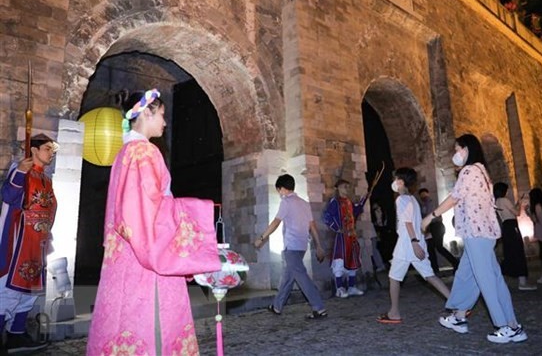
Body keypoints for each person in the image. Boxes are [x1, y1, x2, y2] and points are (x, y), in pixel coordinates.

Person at [87, 89, 221, 355]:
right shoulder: (145, 152)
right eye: (161, 114)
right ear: (146, 113)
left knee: (123, 320)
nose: (165, 122)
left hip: (125, 256)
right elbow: (150, 211)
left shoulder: (123, 153)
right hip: (148, 258)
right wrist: (196, 210)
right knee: (153, 323)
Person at [421, 134, 527, 344]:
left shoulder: (469, 171)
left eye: (457, 149)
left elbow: (454, 197)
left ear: (467, 149)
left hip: (476, 233)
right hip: (481, 233)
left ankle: (506, 326)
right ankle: (459, 317)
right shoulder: (481, 170)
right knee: (466, 275)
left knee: (487, 280)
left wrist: (430, 217)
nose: (455, 154)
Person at [0, 134, 58, 353]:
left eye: (52, 149)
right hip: (18, 242)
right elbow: (7, 195)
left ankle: (16, 335)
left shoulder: (45, 178)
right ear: (33, 150)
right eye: (46, 148)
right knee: (7, 289)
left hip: (37, 243)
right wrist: (22, 172)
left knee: (29, 292)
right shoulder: (20, 171)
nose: (50, 153)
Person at [377, 167, 450, 324]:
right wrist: (417, 243)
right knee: (429, 275)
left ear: (401, 182)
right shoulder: (413, 200)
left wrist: (414, 243)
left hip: (407, 244)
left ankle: (394, 312)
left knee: (394, 278)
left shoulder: (401, 200)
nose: (394, 182)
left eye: (396, 179)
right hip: (416, 243)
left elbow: (408, 223)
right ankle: (456, 304)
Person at [254, 174, 327, 319]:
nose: (279, 193)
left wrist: (262, 238)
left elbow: (276, 222)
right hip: (301, 246)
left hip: (292, 246)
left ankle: (319, 307)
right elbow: (312, 226)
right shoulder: (304, 203)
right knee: (288, 277)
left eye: (279, 190)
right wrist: (318, 245)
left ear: (282, 188)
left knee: (302, 277)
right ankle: (277, 306)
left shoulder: (286, 202)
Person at [323, 179, 367, 298]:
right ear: (338, 188)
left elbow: (356, 211)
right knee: (340, 261)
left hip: (351, 236)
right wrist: (337, 228)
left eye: (347, 186)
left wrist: (364, 199)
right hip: (341, 238)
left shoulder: (348, 202)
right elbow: (327, 217)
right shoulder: (335, 202)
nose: (346, 189)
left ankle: (351, 287)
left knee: (352, 260)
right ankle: (339, 288)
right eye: (344, 187)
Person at [493, 183, 536, 291]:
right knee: (518, 252)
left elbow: (508, 213)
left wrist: (517, 204)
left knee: (509, 253)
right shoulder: (505, 200)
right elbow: (516, 213)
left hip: (506, 227)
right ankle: (522, 282)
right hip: (512, 226)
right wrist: (520, 205)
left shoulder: (497, 201)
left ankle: (502, 279)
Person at [419, 188, 459, 275]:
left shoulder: (430, 203)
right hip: (431, 228)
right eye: (422, 195)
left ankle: (455, 262)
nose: (423, 197)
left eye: (424, 195)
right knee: (431, 248)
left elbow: (430, 215)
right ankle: (435, 268)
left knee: (438, 247)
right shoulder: (423, 205)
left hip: (436, 226)